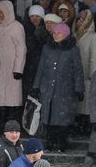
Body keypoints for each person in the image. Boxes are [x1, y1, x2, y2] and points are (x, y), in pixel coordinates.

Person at [34, 21, 84, 150]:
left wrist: (79, 89)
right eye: (54, 33)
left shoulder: (73, 50)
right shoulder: (47, 48)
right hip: (48, 88)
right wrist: (36, 86)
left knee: (63, 118)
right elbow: (41, 67)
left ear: (66, 34)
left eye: (59, 33)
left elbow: (78, 70)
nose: (56, 35)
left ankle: (62, 142)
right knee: (48, 116)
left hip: (65, 89)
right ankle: (50, 142)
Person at [0, 0, 26, 125]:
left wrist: (18, 69)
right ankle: (0, 123)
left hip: (11, 68)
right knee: (0, 97)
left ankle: (12, 124)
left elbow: (21, 48)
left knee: (12, 98)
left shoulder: (16, 27)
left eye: (1, 12)